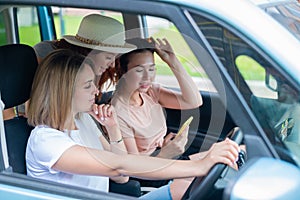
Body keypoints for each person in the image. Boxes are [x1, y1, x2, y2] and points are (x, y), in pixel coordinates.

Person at [25, 49, 240, 199]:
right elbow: (119, 166)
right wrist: (197, 166)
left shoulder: (84, 120)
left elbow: (121, 177)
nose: (97, 92)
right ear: (65, 91)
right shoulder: (46, 141)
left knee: (187, 185)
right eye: (88, 86)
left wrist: (112, 127)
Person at [111, 37, 207, 198]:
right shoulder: (118, 111)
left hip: (165, 159)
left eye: (152, 69)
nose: (147, 77)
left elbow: (193, 101)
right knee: (205, 177)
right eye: (139, 70)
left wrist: (173, 61)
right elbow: (133, 165)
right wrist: (165, 153)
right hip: (150, 173)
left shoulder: (151, 92)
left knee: (223, 156)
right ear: (122, 71)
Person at [34, 13, 136, 99]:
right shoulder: (46, 55)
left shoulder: (97, 69)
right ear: (89, 52)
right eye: (108, 57)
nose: (112, 65)